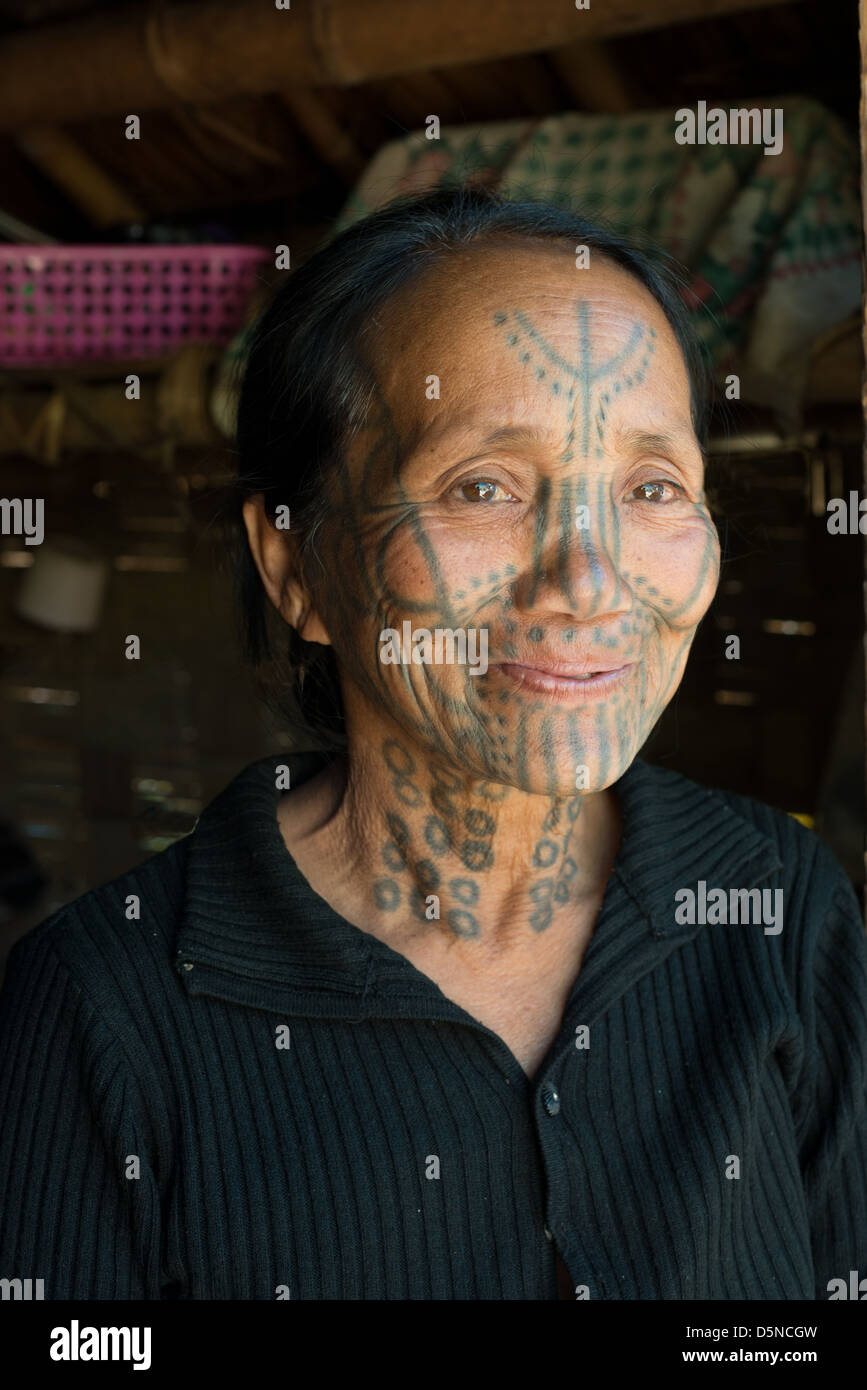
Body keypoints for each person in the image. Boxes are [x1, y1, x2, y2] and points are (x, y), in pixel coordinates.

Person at [1, 187, 865, 1300]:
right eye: (485, 488)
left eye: (652, 486)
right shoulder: (105, 1004)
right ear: (295, 567)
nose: (588, 583)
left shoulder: (778, 905)